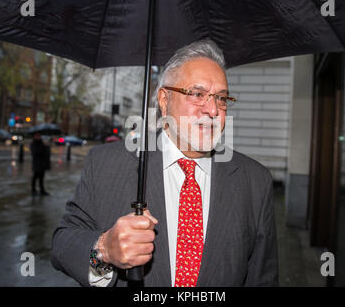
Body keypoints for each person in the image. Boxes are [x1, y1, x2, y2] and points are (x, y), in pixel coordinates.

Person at [51, 39, 278, 287]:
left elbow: (262, 278)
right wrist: (104, 250)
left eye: (221, 98)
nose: (213, 110)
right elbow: (63, 244)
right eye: (198, 94)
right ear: (164, 99)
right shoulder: (107, 164)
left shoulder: (254, 181)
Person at [30, 132, 50, 196]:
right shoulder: (33, 144)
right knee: (35, 177)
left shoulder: (42, 143)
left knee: (41, 178)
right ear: (34, 136)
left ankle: (42, 190)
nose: (38, 137)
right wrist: (43, 146)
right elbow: (35, 153)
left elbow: (47, 153)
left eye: (39, 136)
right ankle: (33, 190)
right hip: (36, 163)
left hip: (42, 164)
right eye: (37, 136)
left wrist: (46, 146)